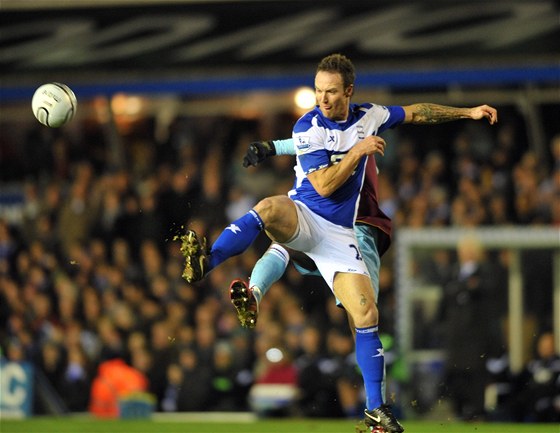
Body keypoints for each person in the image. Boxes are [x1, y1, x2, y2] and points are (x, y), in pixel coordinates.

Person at [178, 53, 497, 433]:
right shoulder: (307, 125)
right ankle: (208, 263)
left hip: (341, 234)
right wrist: (357, 152)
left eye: (330, 92)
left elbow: (417, 112)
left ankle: (376, 410)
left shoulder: (370, 116)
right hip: (306, 218)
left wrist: (467, 112)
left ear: (349, 91)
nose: (323, 100)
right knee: (268, 209)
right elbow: (325, 186)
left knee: (366, 314)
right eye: (318, 91)